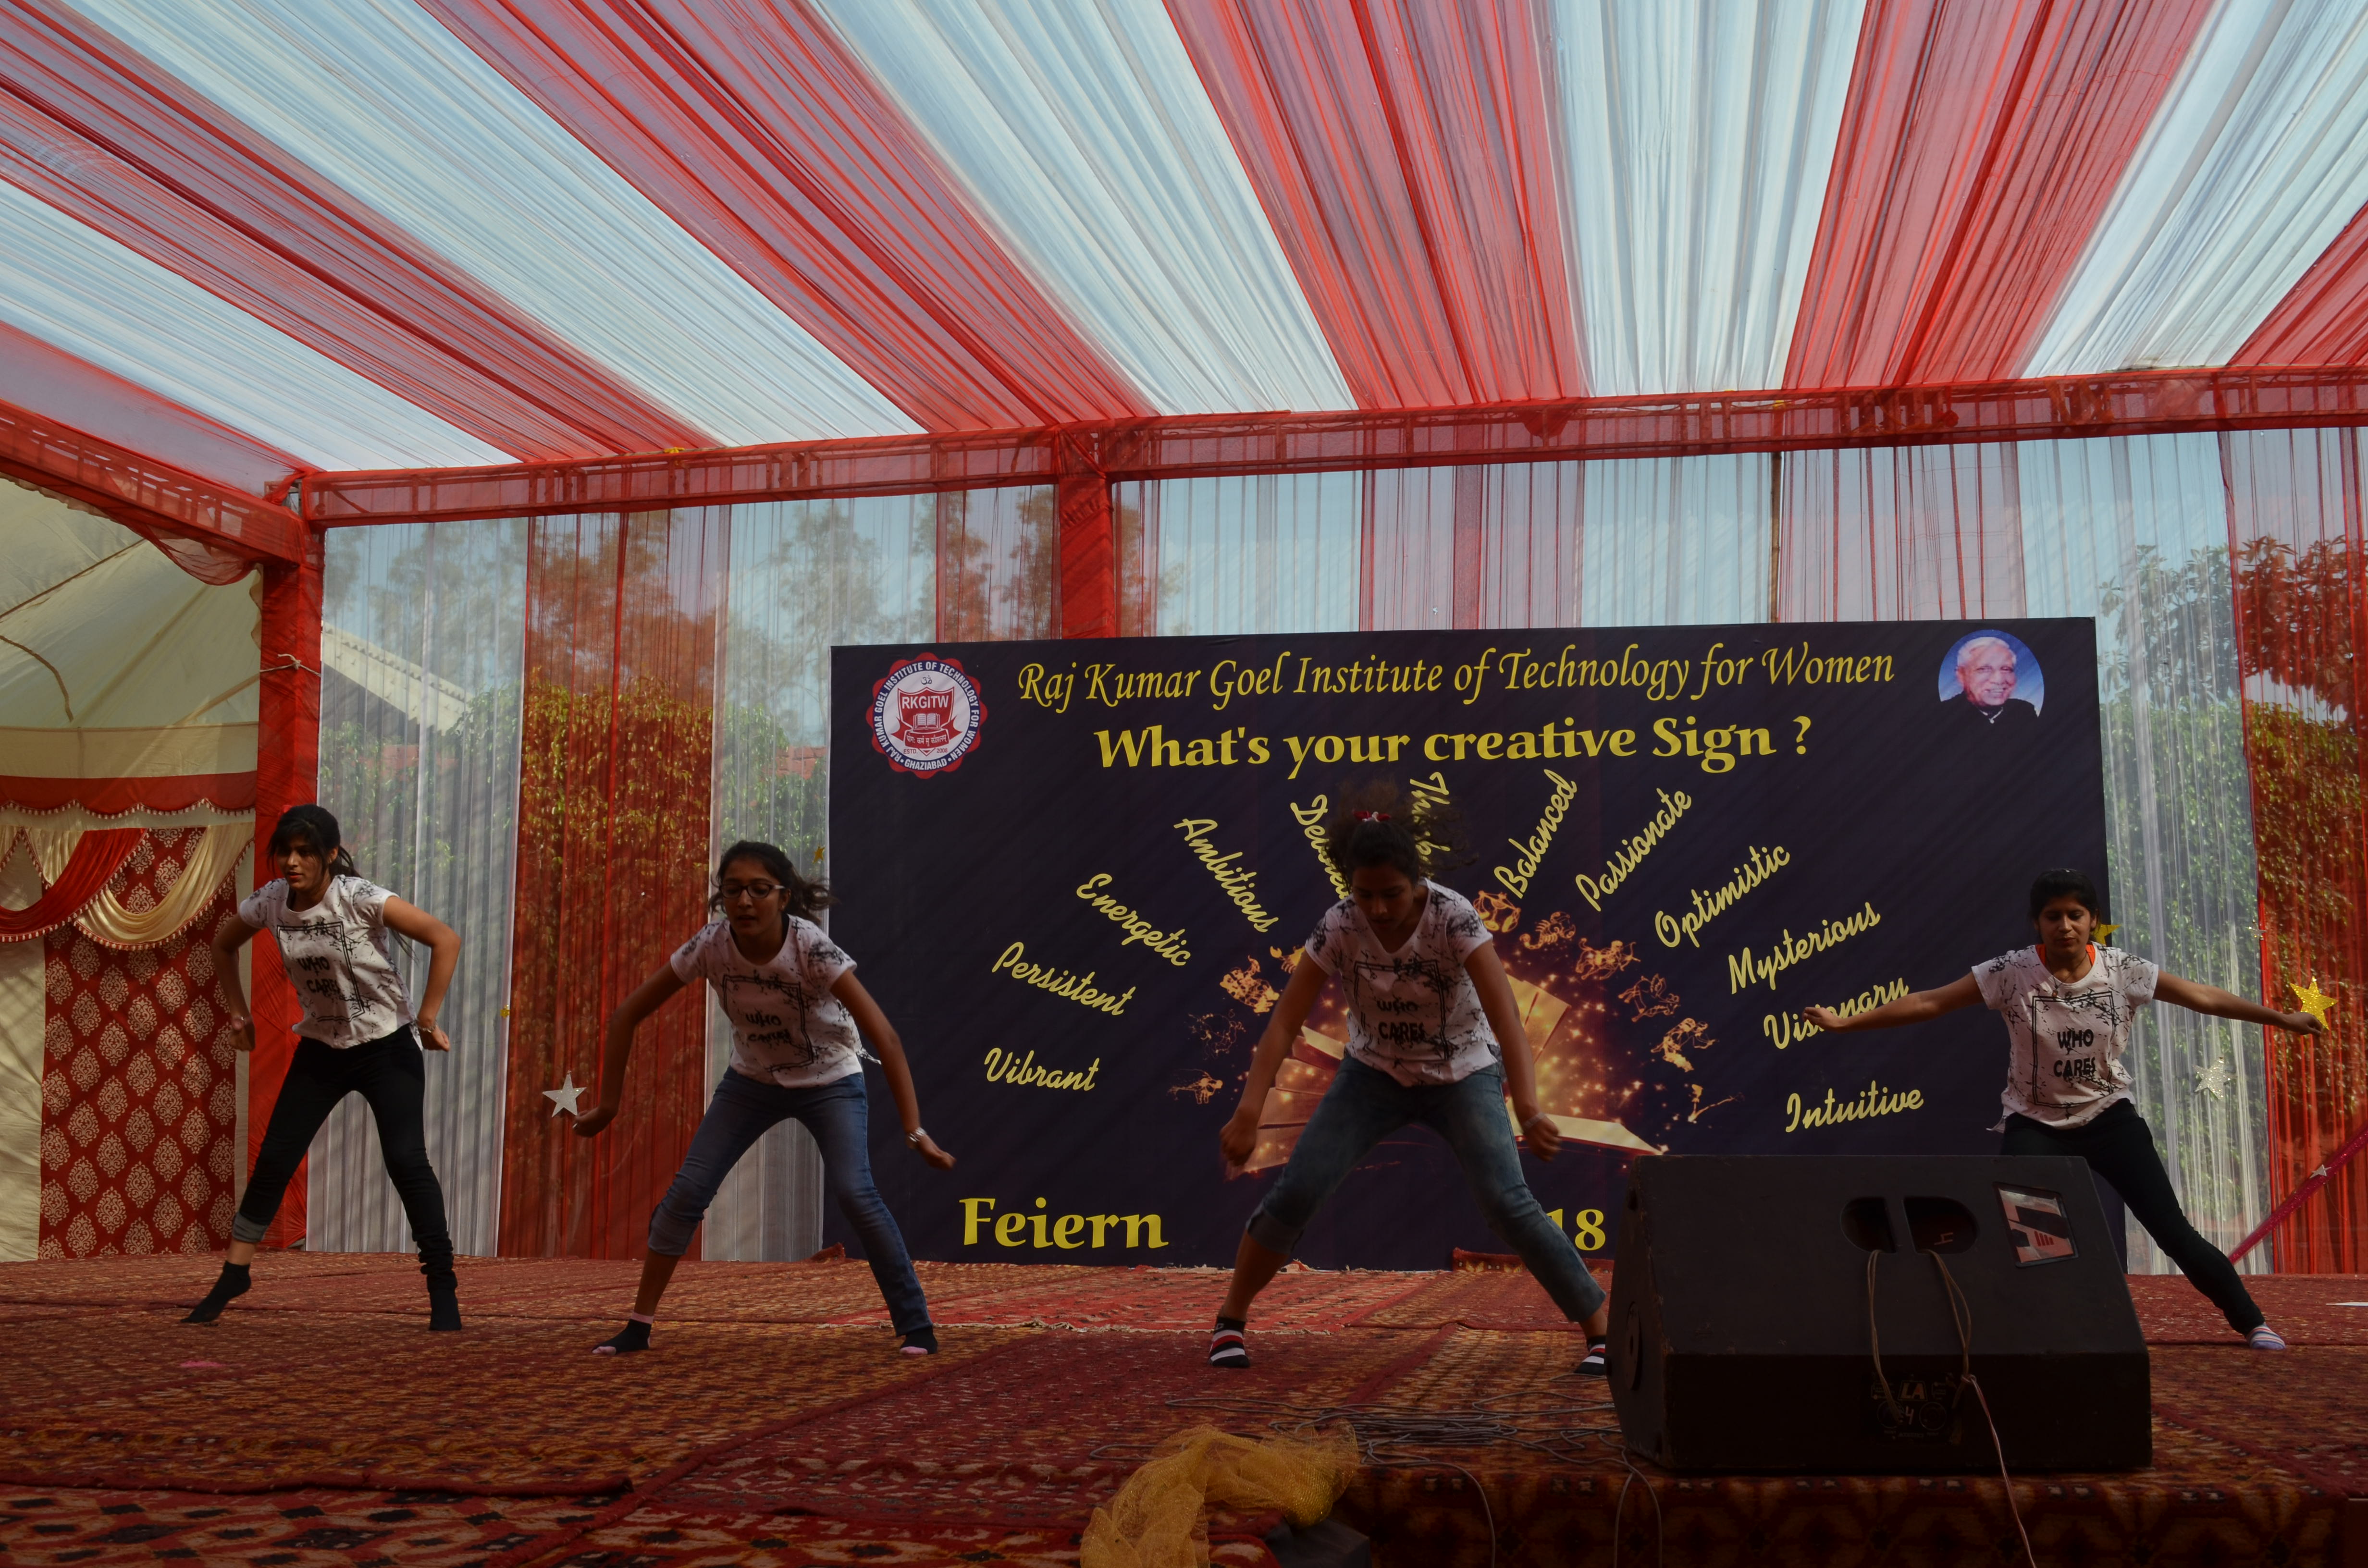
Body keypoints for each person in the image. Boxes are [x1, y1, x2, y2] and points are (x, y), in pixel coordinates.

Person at [1803, 868, 2323, 1350]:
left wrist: (2281, 1018)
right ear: (2037, 923)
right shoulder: (2011, 972)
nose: (2065, 926)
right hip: (2036, 1124)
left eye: (2075, 915)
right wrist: (1847, 1023)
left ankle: (2252, 1322)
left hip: (2108, 1117)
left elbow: (2201, 997)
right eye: (2053, 916)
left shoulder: (2123, 971)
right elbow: (1929, 1002)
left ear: (2093, 920)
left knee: (2172, 1231)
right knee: (2029, 1242)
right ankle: (2037, 1334)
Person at [1210, 790, 1611, 1373]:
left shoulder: (1453, 917)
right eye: (1364, 894)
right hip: (1372, 1075)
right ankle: (1230, 1321)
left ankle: (1600, 1331)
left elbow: (1505, 1015)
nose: (1377, 909)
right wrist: (1249, 1110)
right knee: (1297, 1191)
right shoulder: (1339, 925)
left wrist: (1527, 1105)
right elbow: (1283, 1023)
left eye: (1391, 894)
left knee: (1507, 1203)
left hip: (1462, 1074)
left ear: (1416, 882)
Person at [573, 841, 954, 1356]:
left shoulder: (810, 947)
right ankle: (638, 1327)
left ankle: (916, 1325)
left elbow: (884, 1036)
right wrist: (609, 1105)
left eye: (759, 890)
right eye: (733, 891)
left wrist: (915, 1130)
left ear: (784, 896)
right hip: (752, 1083)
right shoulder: (711, 945)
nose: (745, 902)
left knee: (855, 1193)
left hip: (830, 1082)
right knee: (686, 1194)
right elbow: (626, 1016)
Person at [192, 804, 464, 1328]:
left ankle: (442, 1287)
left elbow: (445, 939)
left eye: (305, 853)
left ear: (331, 855)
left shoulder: (358, 898)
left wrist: (427, 1020)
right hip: (323, 1048)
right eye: (285, 852)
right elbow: (222, 947)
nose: (292, 863)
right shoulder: (272, 902)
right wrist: (238, 1014)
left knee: (406, 1161)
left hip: (386, 1046)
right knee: (275, 1158)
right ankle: (234, 1273)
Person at [1940, 635, 2039, 730]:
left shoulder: (2023, 711)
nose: (1999, 680)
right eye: (1984, 669)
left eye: (2006, 669)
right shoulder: (1944, 716)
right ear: (1962, 676)